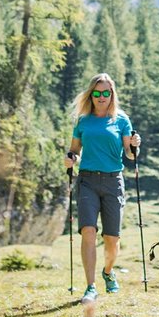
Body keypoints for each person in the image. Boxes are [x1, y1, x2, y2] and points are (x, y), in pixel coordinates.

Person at [65, 72, 140, 304]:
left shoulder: (121, 120)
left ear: (112, 94)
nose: (101, 97)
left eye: (105, 92)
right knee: (88, 231)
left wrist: (135, 145)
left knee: (112, 239)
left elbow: (129, 153)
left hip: (113, 181)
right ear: (91, 94)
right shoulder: (83, 120)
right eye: (96, 93)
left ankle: (108, 272)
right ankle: (90, 287)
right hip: (87, 180)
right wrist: (71, 160)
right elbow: (74, 151)